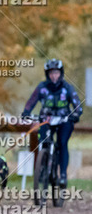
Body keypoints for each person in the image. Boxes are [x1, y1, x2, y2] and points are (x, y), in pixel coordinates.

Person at [22, 58, 83, 187]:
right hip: (46, 119)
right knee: (42, 141)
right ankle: (42, 168)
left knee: (62, 143)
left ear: (61, 73)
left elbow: (77, 105)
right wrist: (26, 112)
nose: (54, 76)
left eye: (56, 72)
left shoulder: (67, 88)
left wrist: (76, 114)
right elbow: (31, 101)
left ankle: (63, 175)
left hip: (64, 120)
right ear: (47, 74)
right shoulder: (42, 87)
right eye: (51, 73)